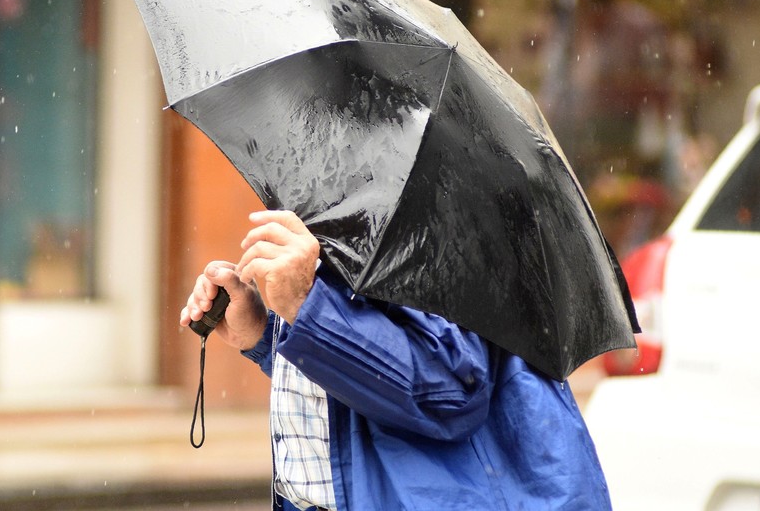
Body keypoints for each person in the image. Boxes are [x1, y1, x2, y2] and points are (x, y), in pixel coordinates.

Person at [180, 209, 615, 510]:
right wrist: (260, 332)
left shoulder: (433, 204)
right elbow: (364, 383)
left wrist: (304, 306)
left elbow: (450, 388)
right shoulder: (330, 191)